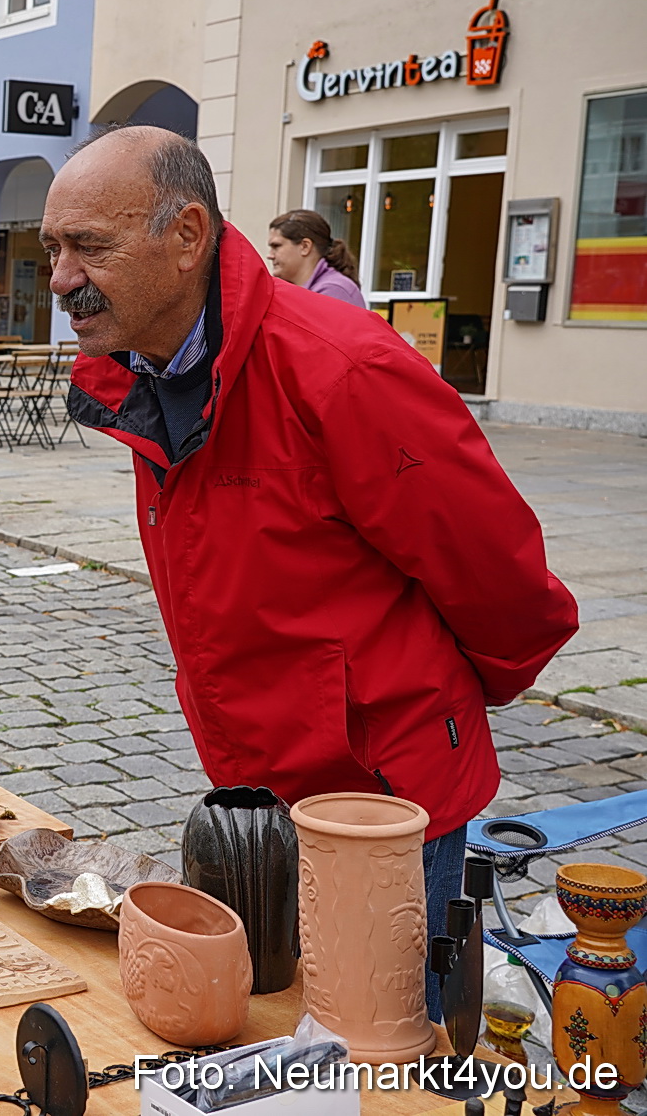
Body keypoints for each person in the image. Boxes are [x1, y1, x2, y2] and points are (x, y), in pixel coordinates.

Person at [48, 125, 578, 1020]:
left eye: (88, 246)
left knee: (387, 1044)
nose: (60, 278)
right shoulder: (145, 369)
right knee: (286, 1022)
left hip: (383, 794)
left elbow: (498, 569)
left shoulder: (339, 364)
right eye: (52, 248)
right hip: (259, 778)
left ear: (186, 238)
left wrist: (427, 704)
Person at [266, 209, 368, 310]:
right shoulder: (305, 291)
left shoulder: (333, 291)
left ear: (305, 246)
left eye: (276, 246)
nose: (270, 255)